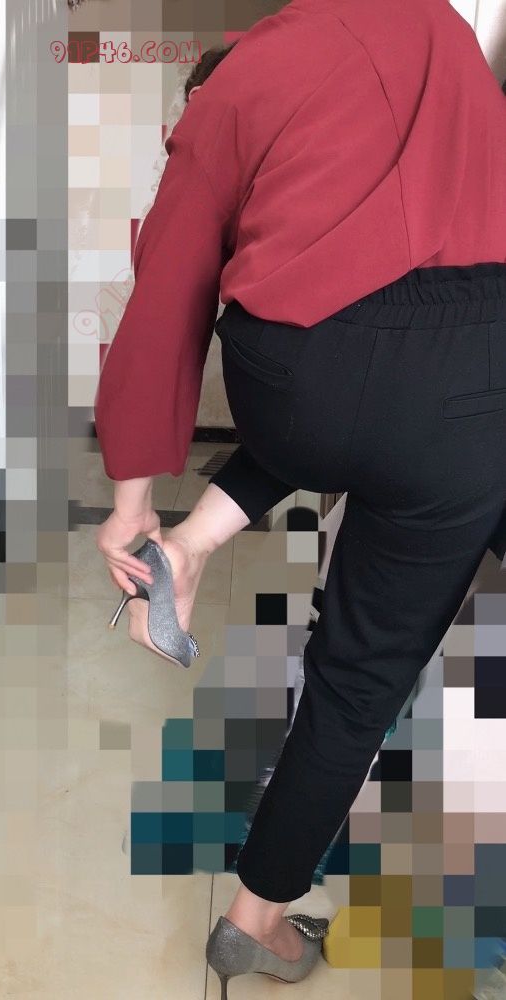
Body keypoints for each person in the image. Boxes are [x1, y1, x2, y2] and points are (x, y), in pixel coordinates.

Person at [94, 0, 506, 988]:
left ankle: (190, 543)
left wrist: (132, 501)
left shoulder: (243, 73)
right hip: (462, 383)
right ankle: (255, 918)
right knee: (358, 679)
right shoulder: (448, 37)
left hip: (289, 381)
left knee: (346, 398)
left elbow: (169, 282)